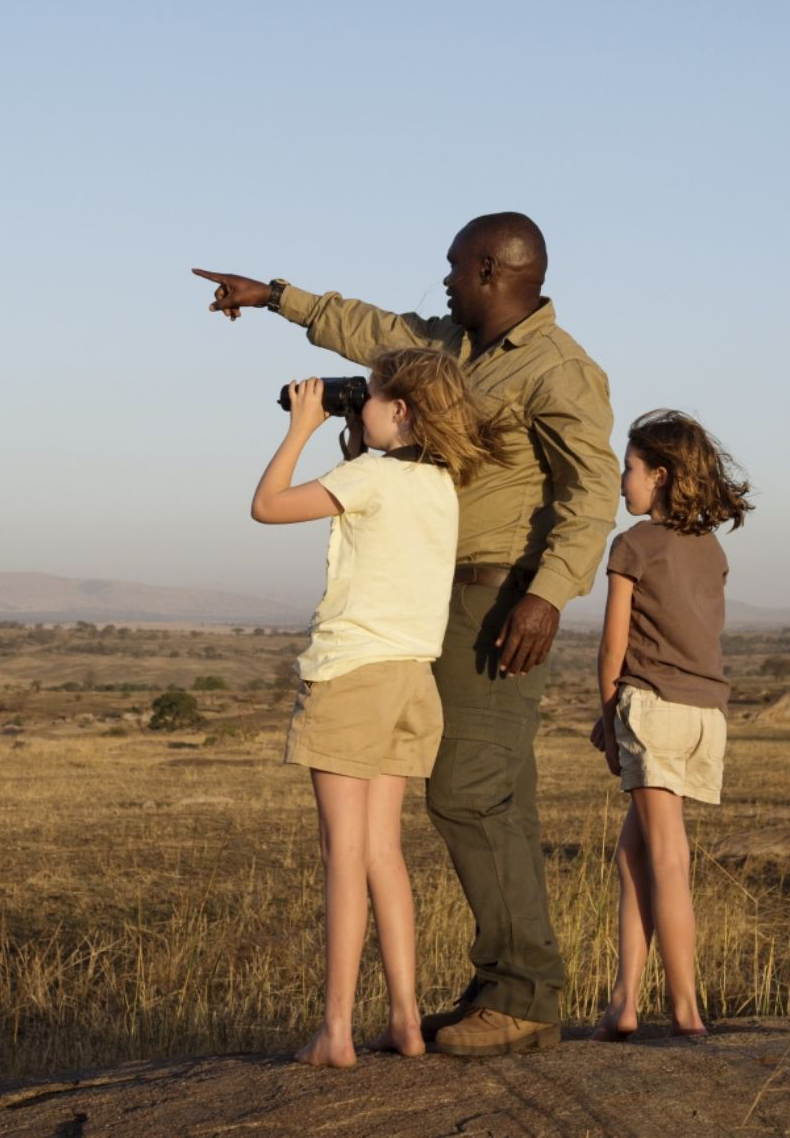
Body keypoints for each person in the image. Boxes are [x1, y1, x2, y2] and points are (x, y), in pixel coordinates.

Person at [195, 212, 621, 1058]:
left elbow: (593, 489)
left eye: (457, 268)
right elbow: (371, 327)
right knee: (492, 791)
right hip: (444, 600)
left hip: (504, 598)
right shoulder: (450, 346)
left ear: (497, 271)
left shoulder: (561, 369)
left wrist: (548, 594)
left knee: (470, 790)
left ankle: (524, 996)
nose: (446, 281)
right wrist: (277, 297)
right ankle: (509, 983)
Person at [249, 349, 516, 1068]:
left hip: (353, 676)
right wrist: (351, 427)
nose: (354, 405)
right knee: (384, 853)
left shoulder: (368, 476)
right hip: (411, 683)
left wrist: (302, 426)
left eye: (364, 396)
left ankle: (335, 1032)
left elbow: (267, 505)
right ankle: (405, 1017)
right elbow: (380, 481)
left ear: (400, 411)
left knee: (343, 855)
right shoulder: (437, 484)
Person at [585, 409, 753, 1043]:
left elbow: (612, 649)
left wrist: (609, 719)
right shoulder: (711, 551)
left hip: (651, 708)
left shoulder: (632, 545)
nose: (621, 482)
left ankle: (685, 1011)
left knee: (667, 859)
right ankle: (624, 1002)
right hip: (705, 716)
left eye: (628, 469)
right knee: (633, 855)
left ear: (659, 475)